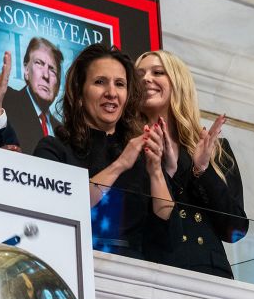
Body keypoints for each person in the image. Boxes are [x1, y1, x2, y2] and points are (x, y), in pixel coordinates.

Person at [34, 43, 174, 259]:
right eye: (100, 82)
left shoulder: (142, 155)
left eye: (120, 84)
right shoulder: (54, 149)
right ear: (79, 94)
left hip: (136, 277)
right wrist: (119, 165)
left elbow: (166, 229)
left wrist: (156, 171)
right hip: (73, 267)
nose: (111, 93)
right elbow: (61, 209)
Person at [136, 50, 247, 278]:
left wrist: (201, 170)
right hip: (153, 272)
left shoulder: (216, 150)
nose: (146, 78)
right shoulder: (128, 148)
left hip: (210, 274)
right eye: (139, 74)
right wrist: (166, 172)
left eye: (157, 72)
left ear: (179, 84)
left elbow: (236, 229)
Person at [2, 37, 63, 154]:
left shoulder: (63, 132)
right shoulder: (7, 100)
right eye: (39, 63)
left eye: (52, 70)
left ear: (58, 85)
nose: (46, 75)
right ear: (26, 71)